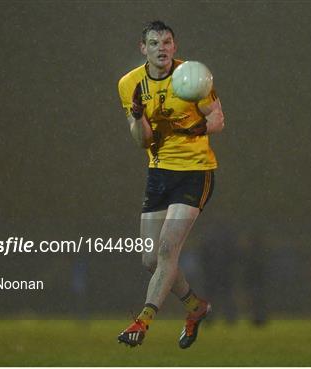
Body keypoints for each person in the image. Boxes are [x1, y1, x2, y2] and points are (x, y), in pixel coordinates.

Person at [116, 20, 225, 348]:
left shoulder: (192, 76)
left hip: (194, 171)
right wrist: (138, 116)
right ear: (142, 49)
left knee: (167, 249)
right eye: (153, 43)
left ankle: (142, 321)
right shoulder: (129, 84)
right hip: (159, 173)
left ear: (174, 47)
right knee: (150, 259)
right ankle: (195, 307)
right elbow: (142, 141)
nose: (161, 48)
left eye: (166, 42)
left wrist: (198, 130)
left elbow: (218, 118)